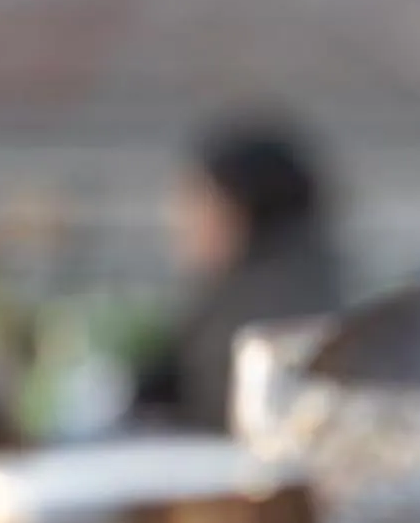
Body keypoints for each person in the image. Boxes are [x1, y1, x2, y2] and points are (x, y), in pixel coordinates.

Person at [135, 116, 349, 434]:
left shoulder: (260, 323)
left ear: (240, 211)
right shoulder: (262, 292)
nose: (178, 221)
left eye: (197, 202)